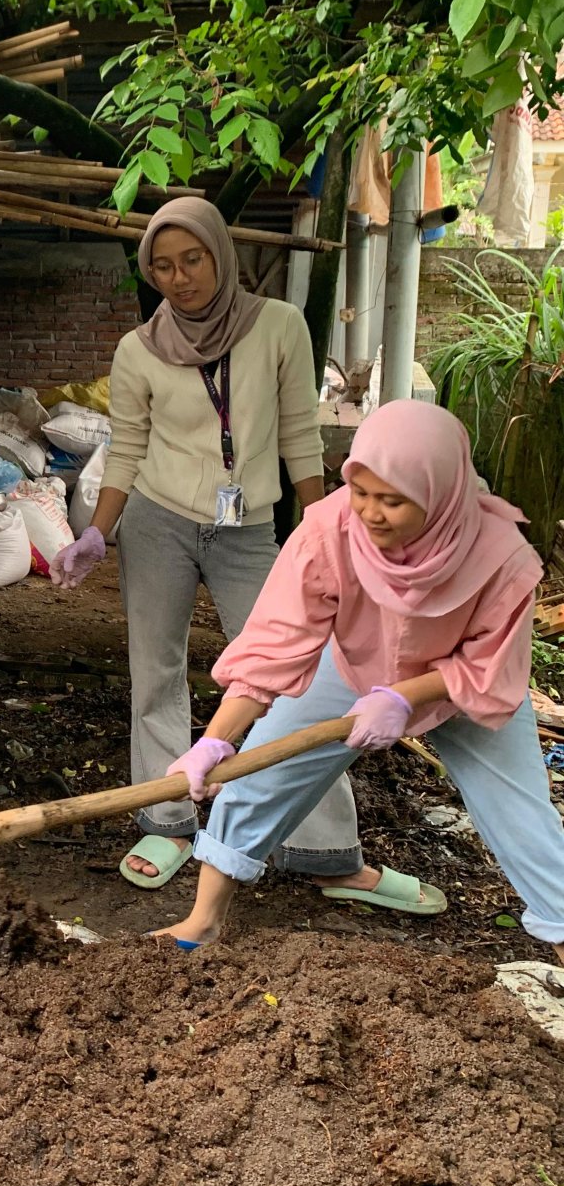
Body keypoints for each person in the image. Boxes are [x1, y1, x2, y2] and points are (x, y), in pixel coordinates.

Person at [50, 195, 437, 916]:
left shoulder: (278, 328)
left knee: (300, 679)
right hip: (158, 524)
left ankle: (322, 850)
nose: (179, 277)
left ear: (219, 255)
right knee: (155, 672)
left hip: (249, 527)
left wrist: (328, 528)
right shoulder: (139, 350)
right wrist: (99, 530)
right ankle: (167, 819)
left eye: (191, 259)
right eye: (162, 266)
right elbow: (127, 449)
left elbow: (298, 433)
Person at [155, 401, 564, 959]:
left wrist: (406, 695)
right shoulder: (330, 528)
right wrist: (215, 741)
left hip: (463, 687)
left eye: (392, 500)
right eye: (360, 492)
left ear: (438, 495)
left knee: (522, 814)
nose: (370, 513)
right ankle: (202, 921)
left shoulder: (503, 559)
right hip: (353, 667)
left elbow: (489, 664)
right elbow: (275, 644)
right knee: (262, 775)